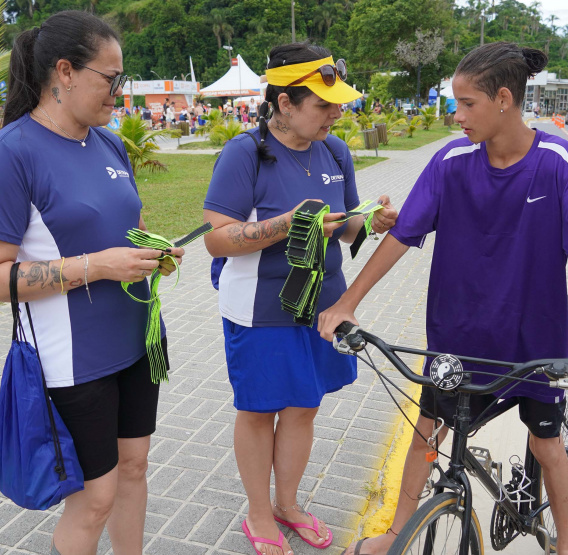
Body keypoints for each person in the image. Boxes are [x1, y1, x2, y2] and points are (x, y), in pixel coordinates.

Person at [318, 42, 568, 555]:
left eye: (467, 103)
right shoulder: (450, 161)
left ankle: (567, 544)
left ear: (504, 99)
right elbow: (402, 236)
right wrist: (348, 302)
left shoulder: (558, 163)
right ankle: (399, 534)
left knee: (547, 445)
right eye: (455, 103)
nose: (456, 114)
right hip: (458, 336)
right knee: (427, 434)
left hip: (533, 343)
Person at [0, 11, 185, 555]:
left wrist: (146, 253)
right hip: (71, 358)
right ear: (64, 72)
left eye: (121, 79)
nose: (119, 92)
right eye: (110, 79)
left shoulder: (108, 144)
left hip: (136, 342)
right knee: (95, 498)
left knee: (134, 469)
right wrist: (98, 266)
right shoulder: (11, 155)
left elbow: (114, 227)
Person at [202, 43, 398, 555]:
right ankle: (258, 511)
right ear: (284, 104)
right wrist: (285, 224)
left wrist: (369, 223)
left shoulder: (334, 151)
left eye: (338, 104)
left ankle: (288, 503)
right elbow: (217, 238)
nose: (337, 112)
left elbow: (348, 227)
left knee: (304, 407)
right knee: (259, 409)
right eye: (323, 105)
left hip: (322, 306)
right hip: (261, 310)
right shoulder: (244, 153)